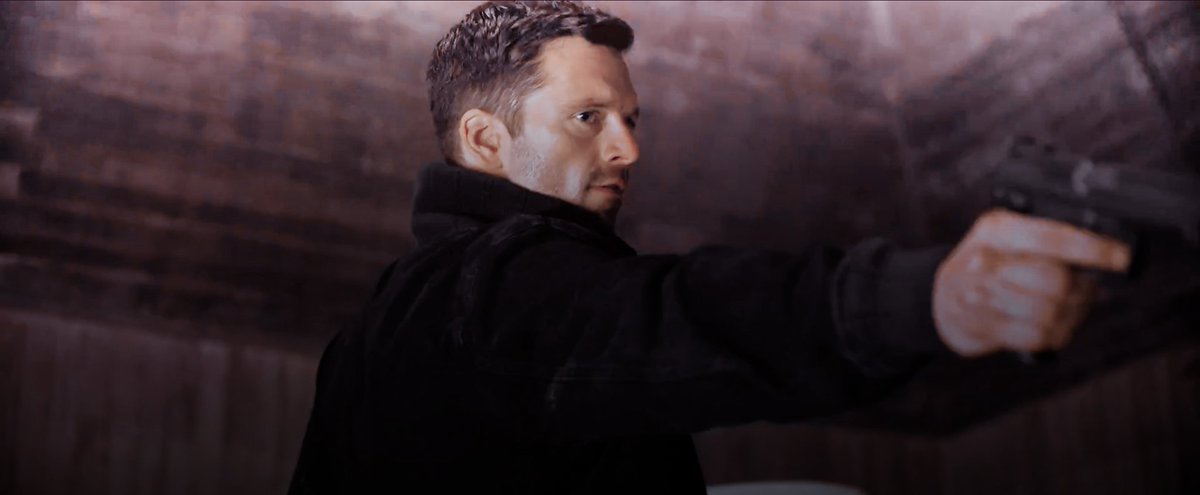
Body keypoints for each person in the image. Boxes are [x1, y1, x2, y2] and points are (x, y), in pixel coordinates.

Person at [287, 1, 1130, 493]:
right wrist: (920, 297)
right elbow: (669, 317)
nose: (628, 149)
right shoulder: (496, 282)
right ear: (483, 139)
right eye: (588, 118)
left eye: (630, 119)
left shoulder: (367, 338)